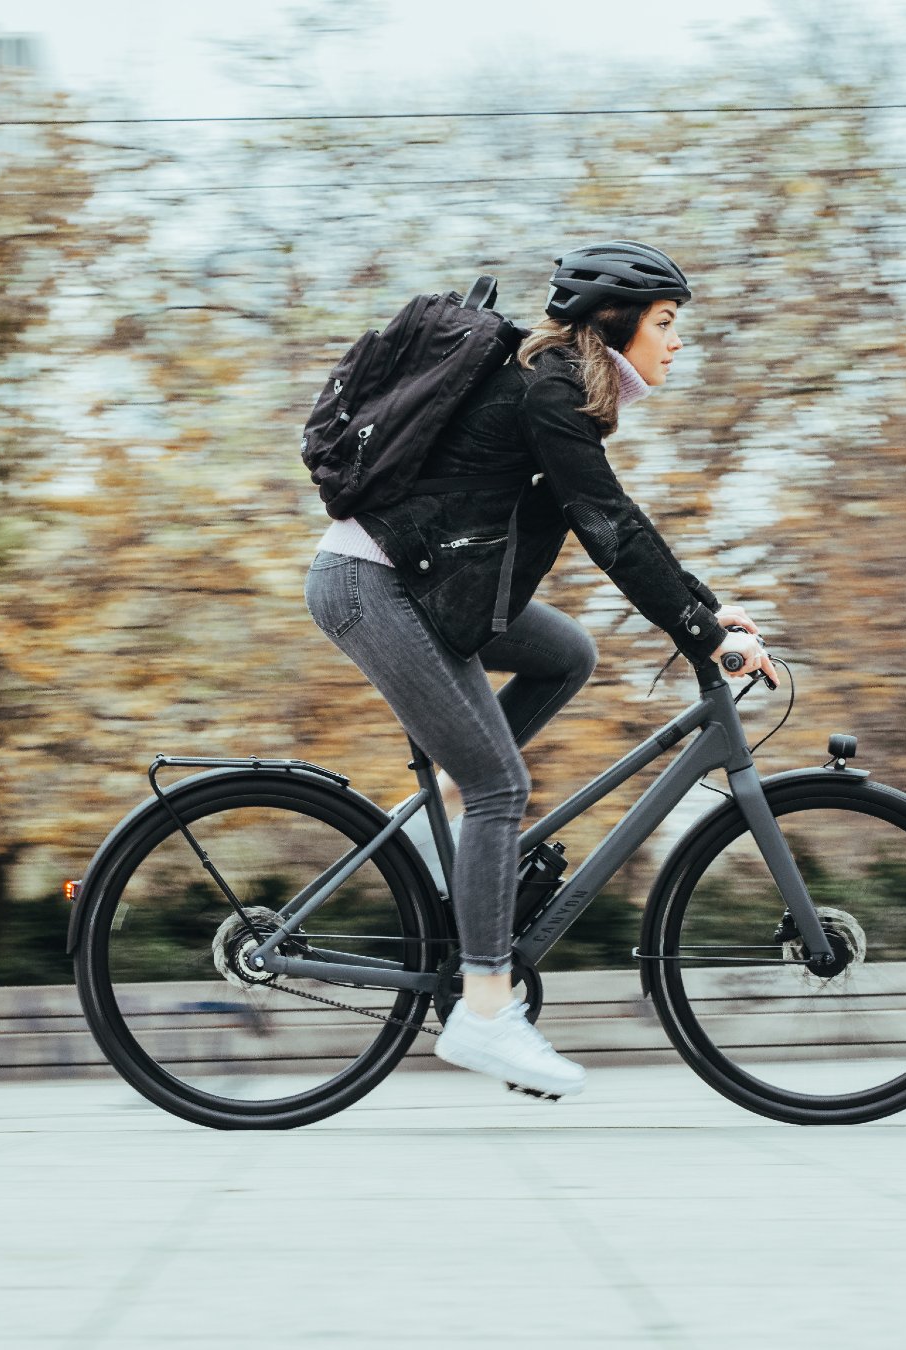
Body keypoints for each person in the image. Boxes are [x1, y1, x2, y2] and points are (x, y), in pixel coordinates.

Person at [304, 240, 774, 1098]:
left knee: (567, 654)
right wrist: (702, 630)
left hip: (424, 586)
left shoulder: (558, 383)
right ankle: (485, 1012)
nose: (676, 344)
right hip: (375, 586)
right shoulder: (551, 388)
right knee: (500, 788)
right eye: (666, 325)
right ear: (614, 323)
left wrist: (706, 607)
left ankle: (428, 827)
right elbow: (608, 524)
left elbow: (611, 521)